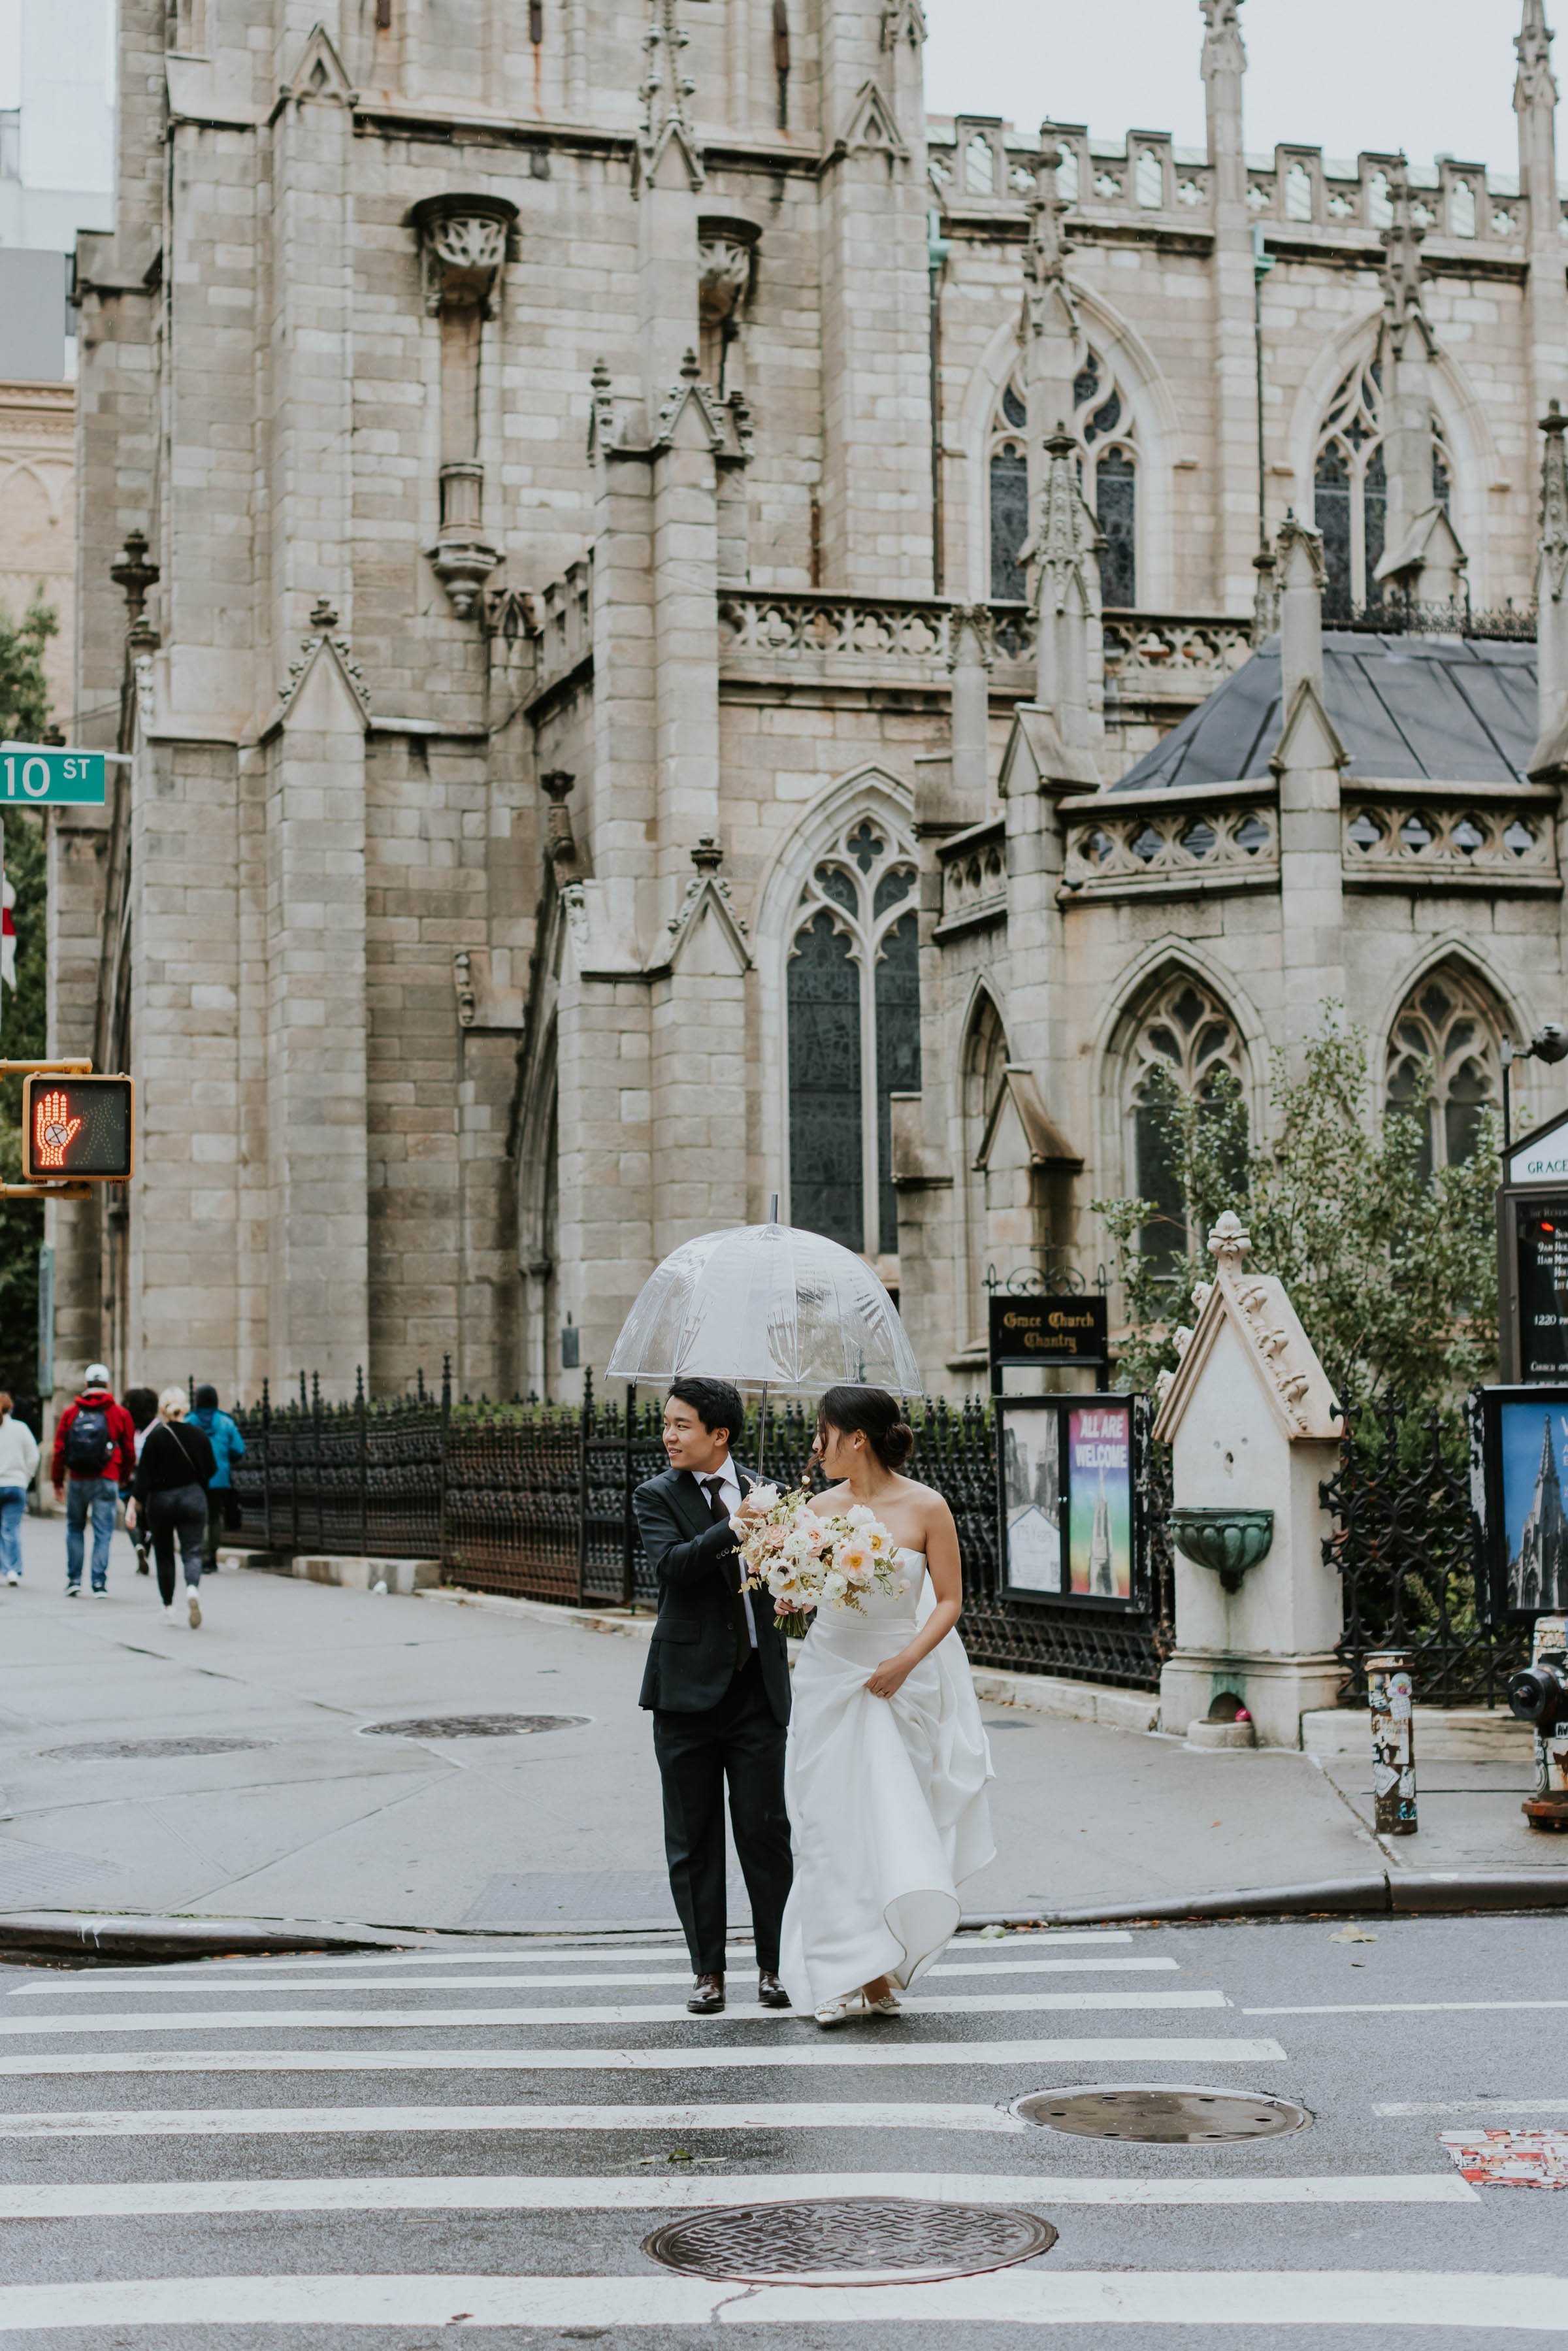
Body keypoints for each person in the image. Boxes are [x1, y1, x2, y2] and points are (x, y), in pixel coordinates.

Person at [766, 1384, 993, 2028]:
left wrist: (905, 1661)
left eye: (825, 1433)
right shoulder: (817, 1507)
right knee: (829, 1827)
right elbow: (808, 1592)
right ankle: (838, 1971)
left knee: (890, 1823)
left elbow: (948, 1599)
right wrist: (789, 1591)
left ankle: (879, 1966)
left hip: (899, 1678)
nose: (818, 1446)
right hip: (828, 1676)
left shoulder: (927, 1507)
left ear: (856, 1437)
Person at [633, 1376, 793, 2016]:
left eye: (681, 1424)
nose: (668, 1435)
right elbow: (673, 1567)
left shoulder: (767, 1491)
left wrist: (793, 1581)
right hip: (684, 1697)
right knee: (694, 1839)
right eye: (667, 1423)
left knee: (765, 1833)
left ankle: (774, 1966)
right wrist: (734, 1525)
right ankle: (708, 1972)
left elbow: (787, 1575)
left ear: (718, 1434)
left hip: (758, 1689)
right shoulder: (656, 1495)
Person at [125, 1387, 215, 1628]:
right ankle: (193, 1589)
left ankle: (168, 1607)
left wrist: (132, 1506)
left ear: (162, 1410)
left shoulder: (156, 1437)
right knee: (192, 1551)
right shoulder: (199, 1435)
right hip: (192, 1497)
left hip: (162, 1501)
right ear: (185, 1407)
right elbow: (211, 1469)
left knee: (165, 1555)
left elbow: (143, 1478)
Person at [50, 1365, 136, 1598]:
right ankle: (99, 1583)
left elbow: (59, 1450)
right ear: (107, 1385)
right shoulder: (119, 1414)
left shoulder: (71, 1413)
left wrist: (58, 1482)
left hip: (77, 1479)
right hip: (106, 1478)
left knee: (75, 1528)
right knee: (103, 1532)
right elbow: (129, 1450)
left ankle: (74, 1580)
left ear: (86, 1385)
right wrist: (124, 1477)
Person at [189, 1384, 245, 1572]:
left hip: (196, 1478)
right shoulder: (225, 1422)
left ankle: (203, 1555)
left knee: (200, 1517)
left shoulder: (190, 1421)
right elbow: (239, 1449)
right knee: (214, 1518)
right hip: (220, 1478)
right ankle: (212, 1554)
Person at [0, 1395, 40, 1587]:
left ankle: (3, 1566)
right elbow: (33, 1455)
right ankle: (13, 1570)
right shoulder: (20, 1428)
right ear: (10, 1408)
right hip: (15, 1484)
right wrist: (26, 1477)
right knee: (11, 1528)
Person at [123, 1387, 159, 1577]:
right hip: (151, 1480)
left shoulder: (131, 1429)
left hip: (131, 1479)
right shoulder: (158, 1428)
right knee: (148, 1515)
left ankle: (138, 1544)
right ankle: (146, 1543)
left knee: (131, 1516)